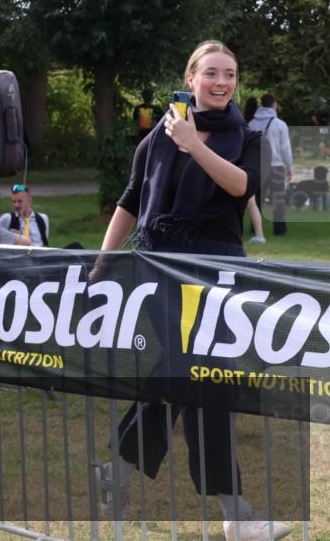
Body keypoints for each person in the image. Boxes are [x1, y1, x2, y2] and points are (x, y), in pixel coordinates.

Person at [97, 41, 287, 541]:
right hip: (159, 267)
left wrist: (193, 143)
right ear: (192, 77)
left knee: (190, 377)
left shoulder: (249, 137)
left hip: (218, 271)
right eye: (211, 73)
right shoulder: (156, 139)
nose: (222, 82)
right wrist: (101, 260)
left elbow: (240, 187)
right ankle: (237, 513)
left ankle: (118, 470)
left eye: (230, 74)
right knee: (198, 375)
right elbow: (131, 201)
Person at [249, 93, 293, 236]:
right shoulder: (280, 124)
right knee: (278, 199)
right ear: (274, 104)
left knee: (258, 199)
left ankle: (255, 228)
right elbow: (285, 148)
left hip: (258, 165)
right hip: (276, 166)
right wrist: (289, 167)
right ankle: (279, 230)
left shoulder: (252, 123)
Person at [242, 97, 265, 243]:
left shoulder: (246, 123)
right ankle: (259, 234)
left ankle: (259, 234)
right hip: (249, 165)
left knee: (251, 203)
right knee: (252, 203)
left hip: (240, 166)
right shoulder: (246, 124)